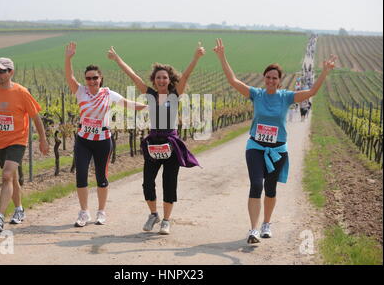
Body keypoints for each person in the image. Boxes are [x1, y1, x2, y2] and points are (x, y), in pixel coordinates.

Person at [214, 38, 336, 244]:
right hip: (255, 147)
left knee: (271, 189)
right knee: (256, 184)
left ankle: (266, 224)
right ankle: (253, 229)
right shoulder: (256, 94)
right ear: (264, 78)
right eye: (268, 77)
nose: (271, 80)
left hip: (278, 150)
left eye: (274, 78)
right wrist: (222, 56)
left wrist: (324, 71)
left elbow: (312, 92)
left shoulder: (286, 97)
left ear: (279, 80)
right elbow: (233, 81)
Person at [107, 42, 205, 235]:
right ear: (154, 80)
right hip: (153, 143)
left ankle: (166, 220)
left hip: (171, 143)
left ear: (170, 80)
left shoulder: (175, 95)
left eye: (165, 77)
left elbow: (185, 76)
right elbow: (133, 75)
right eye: (158, 77)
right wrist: (117, 58)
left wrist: (196, 57)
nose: (161, 80)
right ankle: (153, 215)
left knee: (170, 182)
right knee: (147, 182)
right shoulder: (150, 95)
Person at [65, 42, 147, 227]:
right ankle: (84, 212)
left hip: (102, 141)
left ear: (101, 78)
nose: (92, 81)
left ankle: (101, 212)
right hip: (83, 141)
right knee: (81, 175)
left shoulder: (108, 94)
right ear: (85, 80)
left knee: (101, 176)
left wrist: (152, 106)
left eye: (95, 78)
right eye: (88, 78)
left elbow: (129, 104)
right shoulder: (80, 92)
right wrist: (68, 58)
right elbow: (69, 76)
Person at [0, 57, 49, 233]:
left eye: (1, 71)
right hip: (0, 141)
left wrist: (43, 140)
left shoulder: (22, 92)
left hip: (18, 140)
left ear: (11, 73)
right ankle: (19, 209)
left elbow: (36, 117)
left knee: (6, 175)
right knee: (12, 178)